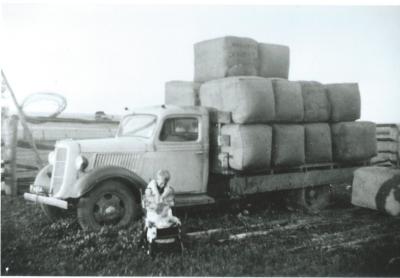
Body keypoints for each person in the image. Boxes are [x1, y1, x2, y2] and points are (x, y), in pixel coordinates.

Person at [142, 169, 181, 243]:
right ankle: (156, 233)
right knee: (156, 218)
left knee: (168, 214)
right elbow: (147, 200)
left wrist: (164, 197)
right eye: (160, 182)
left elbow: (170, 199)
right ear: (157, 179)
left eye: (164, 183)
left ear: (166, 182)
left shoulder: (167, 188)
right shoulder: (151, 185)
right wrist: (155, 196)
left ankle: (165, 233)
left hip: (162, 209)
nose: (162, 185)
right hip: (152, 208)